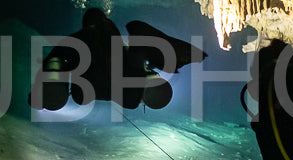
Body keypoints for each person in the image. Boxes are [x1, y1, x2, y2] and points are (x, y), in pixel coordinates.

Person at [30, 8, 207, 112]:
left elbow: (57, 54)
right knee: (133, 61)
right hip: (122, 86)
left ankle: (146, 82)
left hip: (84, 90)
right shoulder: (114, 38)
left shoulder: (78, 39)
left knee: (64, 61)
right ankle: (148, 84)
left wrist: (45, 81)